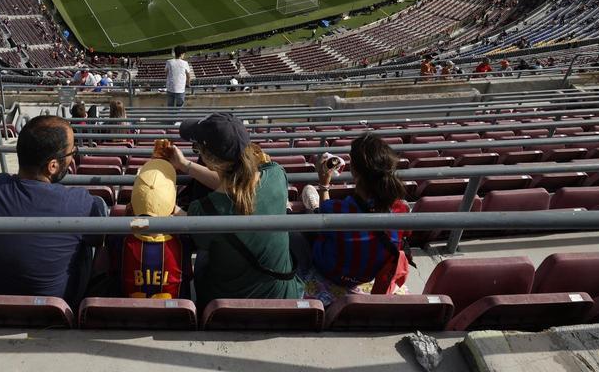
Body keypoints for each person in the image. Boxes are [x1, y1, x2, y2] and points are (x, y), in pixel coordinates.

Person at [0, 115, 107, 304]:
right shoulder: (79, 202)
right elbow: (100, 240)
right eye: (72, 153)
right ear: (52, 166)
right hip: (54, 314)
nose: (73, 156)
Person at [157, 112, 304, 304]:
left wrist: (161, 194)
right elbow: (234, 184)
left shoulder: (206, 209)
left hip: (228, 306)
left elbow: (173, 212)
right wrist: (185, 165)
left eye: (196, 149)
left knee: (202, 256)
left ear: (209, 160)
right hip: (284, 296)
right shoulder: (276, 174)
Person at [296, 133, 412, 305]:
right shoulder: (401, 211)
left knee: (301, 226)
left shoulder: (336, 209)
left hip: (327, 269)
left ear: (354, 171)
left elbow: (326, 215)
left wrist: (324, 185)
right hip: (366, 275)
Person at [106, 157, 191, 298]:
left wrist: (129, 216)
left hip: (125, 314)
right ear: (172, 206)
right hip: (175, 317)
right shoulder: (183, 242)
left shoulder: (118, 239)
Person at [164, 46, 193, 110]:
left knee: (170, 106)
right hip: (180, 89)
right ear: (182, 54)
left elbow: (166, 72)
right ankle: (178, 119)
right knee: (179, 107)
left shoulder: (169, 62)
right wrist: (188, 84)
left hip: (170, 88)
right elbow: (188, 76)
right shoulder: (185, 63)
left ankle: (171, 119)